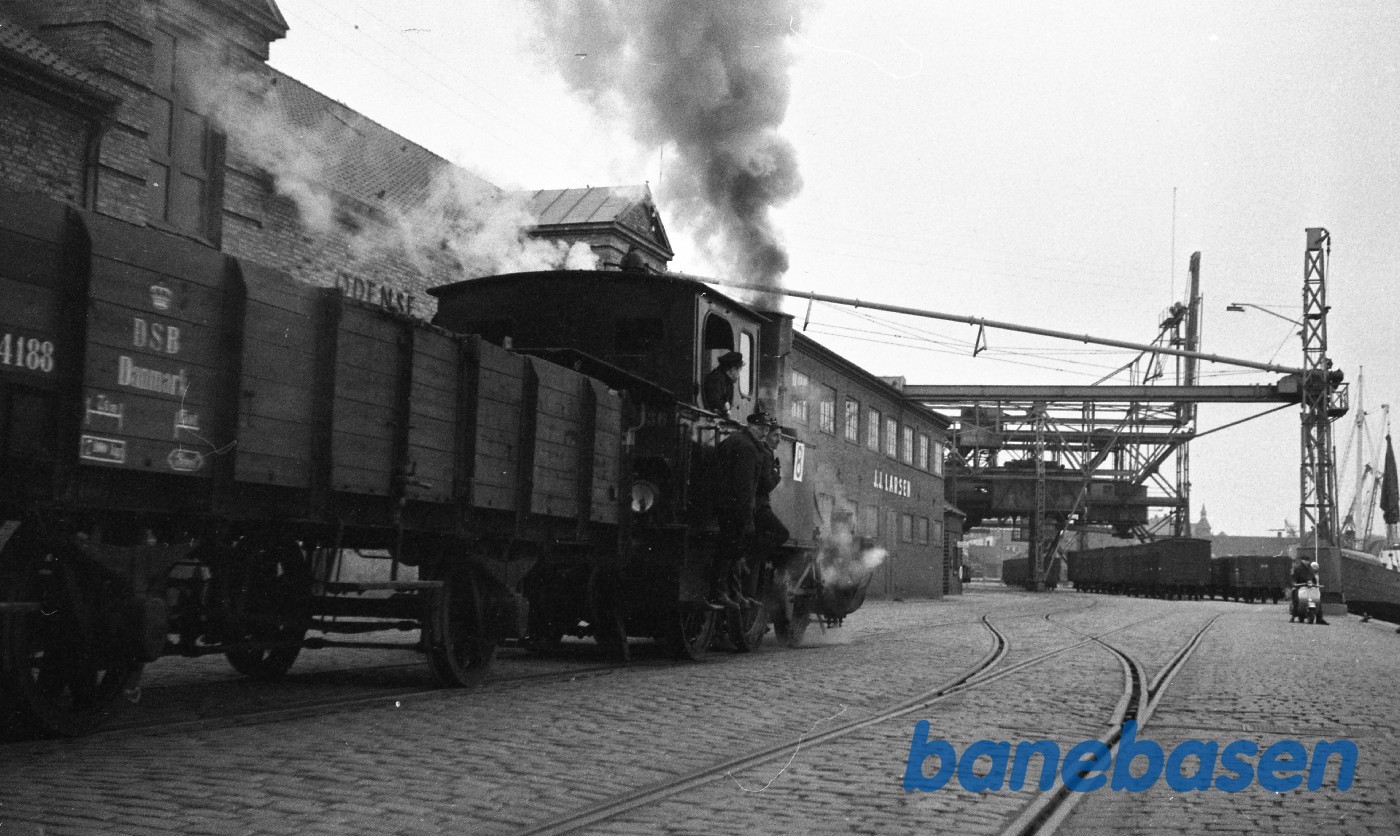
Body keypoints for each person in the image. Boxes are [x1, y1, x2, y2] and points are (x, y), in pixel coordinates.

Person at [711, 408, 789, 609]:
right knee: (730, 550)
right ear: (751, 427)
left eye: (766, 429)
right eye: (761, 429)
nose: (764, 433)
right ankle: (721, 593)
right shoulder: (747, 448)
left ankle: (734, 594)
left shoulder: (740, 441)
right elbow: (745, 486)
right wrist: (747, 517)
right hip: (734, 507)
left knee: (734, 550)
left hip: (726, 504)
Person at [701, 351, 744, 418]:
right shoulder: (716, 379)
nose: (739, 375)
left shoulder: (727, 381)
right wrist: (724, 406)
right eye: (739, 370)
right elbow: (714, 402)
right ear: (733, 370)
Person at [1290, 554, 1328, 624]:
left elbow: (1313, 578)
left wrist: (1315, 584)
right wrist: (1295, 584)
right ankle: (1293, 616)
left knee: (1317, 600)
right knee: (1296, 599)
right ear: (1302, 560)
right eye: (1306, 560)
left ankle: (1320, 618)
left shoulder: (1310, 569)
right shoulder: (1297, 568)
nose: (1308, 562)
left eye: (1308, 560)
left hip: (1309, 587)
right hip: (1299, 587)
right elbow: (1293, 578)